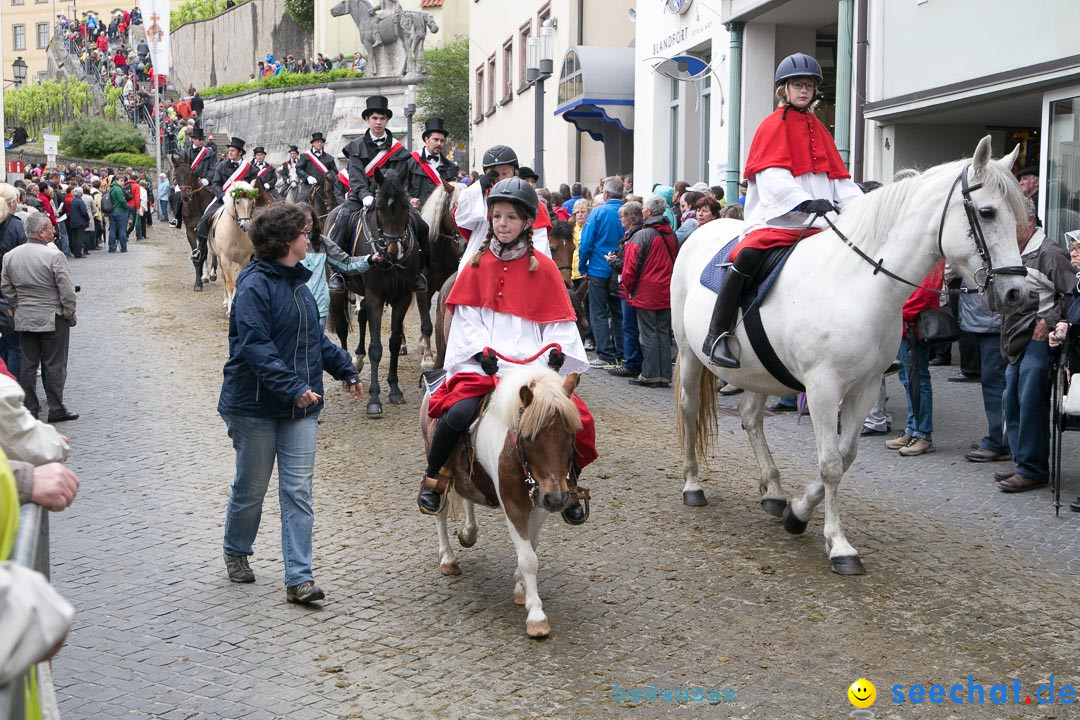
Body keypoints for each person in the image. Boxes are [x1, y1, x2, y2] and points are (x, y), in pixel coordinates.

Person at [416, 178, 594, 525]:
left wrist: (555, 353)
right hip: (486, 366)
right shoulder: (475, 267)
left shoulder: (544, 269)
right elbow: (466, 320)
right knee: (455, 414)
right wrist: (481, 354)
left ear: (527, 222)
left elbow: (558, 324)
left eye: (511, 217)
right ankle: (436, 477)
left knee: (578, 421)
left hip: (533, 369)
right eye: (496, 216)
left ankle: (568, 484)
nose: (502, 223)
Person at [218, 202, 365, 604]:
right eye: (303, 233)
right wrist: (291, 387)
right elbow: (255, 347)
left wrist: (346, 370)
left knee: (298, 490)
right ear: (285, 241)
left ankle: (299, 578)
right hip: (255, 405)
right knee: (252, 486)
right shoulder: (253, 286)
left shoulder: (299, 284)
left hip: (301, 404)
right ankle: (236, 548)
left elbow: (313, 341)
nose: (309, 238)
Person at [701, 53, 862, 367]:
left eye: (809, 85)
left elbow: (838, 179)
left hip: (823, 223)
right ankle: (717, 334)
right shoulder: (772, 125)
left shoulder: (820, 128)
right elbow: (773, 176)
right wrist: (802, 202)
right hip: (779, 220)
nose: (804, 91)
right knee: (746, 254)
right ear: (784, 89)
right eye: (797, 85)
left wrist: (861, 207)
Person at [994, 199, 1073, 492]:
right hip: (1016, 339)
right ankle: (1022, 461)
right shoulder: (1014, 252)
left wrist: (1048, 320)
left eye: (1011, 220)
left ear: (1028, 221)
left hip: (1038, 340)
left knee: (1031, 404)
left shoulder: (1050, 253)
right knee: (1012, 401)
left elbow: (1072, 294)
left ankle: (1033, 468)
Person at [0, 213, 78, 423]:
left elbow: (6, 289)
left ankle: (30, 408)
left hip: (25, 316)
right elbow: (67, 291)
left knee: (28, 364)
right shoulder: (53, 256)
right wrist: (69, 313)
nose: (53, 231)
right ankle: (56, 407)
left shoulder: (11, 256)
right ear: (41, 231)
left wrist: (19, 305)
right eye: (50, 228)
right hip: (52, 316)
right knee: (54, 364)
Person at [329, 96, 412, 256]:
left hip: (392, 199)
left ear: (387, 120)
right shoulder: (355, 147)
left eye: (382, 118)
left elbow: (402, 177)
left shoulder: (398, 150)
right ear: (367, 119)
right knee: (341, 222)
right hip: (361, 197)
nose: (378, 122)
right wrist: (365, 195)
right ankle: (337, 270)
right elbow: (355, 176)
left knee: (421, 225)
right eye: (374, 118)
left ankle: (420, 272)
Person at [454, 145, 553, 269]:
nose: (500, 179)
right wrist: (478, 187)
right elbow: (462, 220)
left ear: (515, 173)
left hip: (520, 266)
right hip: (482, 263)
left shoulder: (531, 202)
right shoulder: (480, 199)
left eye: (504, 173)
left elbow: (540, 244)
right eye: (494, 174)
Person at [884, 261, 944, 457]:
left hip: (912, 326)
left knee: (918, 381)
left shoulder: (932, 260)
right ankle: (913, 429)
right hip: (906, 325)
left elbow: (925, 294)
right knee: (909, 381)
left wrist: (895, 315)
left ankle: (923, 435)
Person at [621, 194, 677, 388]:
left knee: (648, 334)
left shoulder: (642, 235)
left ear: (649, 211)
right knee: (662, 333)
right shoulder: (670, 234)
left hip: (647, 291)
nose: (642, 210)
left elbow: (630, 267)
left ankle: (650, 374)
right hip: (666, 290)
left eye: (644, 207)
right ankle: (664, 375)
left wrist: (627, 288)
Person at [297, 204, 381, 328]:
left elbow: (345, 262)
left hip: (319, 306)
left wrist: (368, 259)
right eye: (301, 222)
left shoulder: (322, 242)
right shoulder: (285, 242)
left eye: (309, 221)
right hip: (295, 308)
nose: (306, 226)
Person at [578, 177, 626, 369]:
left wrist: (583, 266)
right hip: (621, 270)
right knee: (618, 312)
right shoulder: (628, 212)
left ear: (605, 194)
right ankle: (622, 353)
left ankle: (605, 354)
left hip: (598, 269)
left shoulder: (598, 213)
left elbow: (586, 243)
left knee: (597, 312)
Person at [195, 137, 259, 250]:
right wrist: (223, 196)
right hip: (222, 199)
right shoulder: (221, 165)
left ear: (240, 153)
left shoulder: (251, 169)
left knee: (260, 224)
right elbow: (215, 183)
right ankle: (200, 250)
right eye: (229, 150)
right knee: (203, 221)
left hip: (243, 202)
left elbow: (253, 186)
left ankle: (257, 252)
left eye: (233, 150)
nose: (229, 152)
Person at [605, 201, 643, 380]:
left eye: (623, 216)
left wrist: (612, 261)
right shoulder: (631, 234)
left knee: (629, 325)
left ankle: (631, 362)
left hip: (630, 287)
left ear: (630, 218)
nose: (620, 219)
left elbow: (629, 265)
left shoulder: (636, 236)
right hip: (629, 286)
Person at [0, 184, 27, 378]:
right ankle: (12, 390)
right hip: (7, 291)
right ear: (14, 202)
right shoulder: (15, 225)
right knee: (14, 346)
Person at [407, 118, 460, 209]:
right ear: (426, 139)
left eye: (442, 141)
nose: (439, 143)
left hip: (441, 216)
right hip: (417, 214)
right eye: (435, 139)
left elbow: (455, 193)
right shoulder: (410, 162)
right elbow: (401, 188)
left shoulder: (451, 167)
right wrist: (409, 200)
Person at [294, 132, 342, 204]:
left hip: (326, 186)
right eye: (317, 142)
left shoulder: (329, 158)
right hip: (309, 185)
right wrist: (307, 177)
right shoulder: (305, 156)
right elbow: (299, 169)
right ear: (313, 143)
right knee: (300, 203)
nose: (319, 143)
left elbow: (335, 172)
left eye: (321, 142)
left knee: (338, 200)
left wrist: (330, 177)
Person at [106, 174, 130, 252]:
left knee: (112, 230)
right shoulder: (118, 189)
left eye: (123, 181)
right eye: (121, 181)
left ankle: (111, 247)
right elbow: (122, 200)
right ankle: (123, 247)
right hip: (120, 211)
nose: (123, 183)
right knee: (122, 230)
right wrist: (126, 207)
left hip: (112, 211)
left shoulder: (111, 188)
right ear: (116, 180)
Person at [67, 187, 90, 258]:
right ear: (81, 193)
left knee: (74, 238)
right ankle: (78, 253)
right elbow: (84, 212)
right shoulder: (80, 201)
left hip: (73, 221)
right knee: (79, 238)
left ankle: (75, 252)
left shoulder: (73, 200)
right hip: (80, 222)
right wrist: (87, 219)